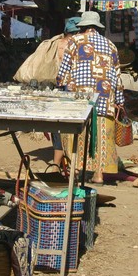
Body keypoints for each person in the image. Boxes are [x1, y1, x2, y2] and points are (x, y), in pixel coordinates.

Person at [56, 11, 124, 185]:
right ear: (97, 27)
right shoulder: (110, 45)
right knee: (101, 136)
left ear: (83, 27)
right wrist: (120, 101)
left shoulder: (75, 41)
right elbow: (117, 77)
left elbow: (63, 71)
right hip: (104, 97)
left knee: (78, 134)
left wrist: (59, 85)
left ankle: (76, 170)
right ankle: (99, 175)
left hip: (80, 98)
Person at [50, 16, 80, 169]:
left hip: (56, 87)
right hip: (72, 87)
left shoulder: (56, 43)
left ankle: (56, 162)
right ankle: (71, 160)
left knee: (58, 124)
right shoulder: (77, 44)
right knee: (73, 124)